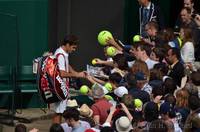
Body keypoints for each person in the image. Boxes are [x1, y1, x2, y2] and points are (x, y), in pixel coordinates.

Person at [52, 35, 86, 124]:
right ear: (67, 44)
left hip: (62, 87)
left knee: (60, 111)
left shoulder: (63, 53)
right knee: (58, 112)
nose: (74, 50)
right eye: (73, 47)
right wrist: (76, 75)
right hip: (59, 87)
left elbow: (67, 65)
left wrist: (76, 73)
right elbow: (62, 74)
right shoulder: (60, 55)